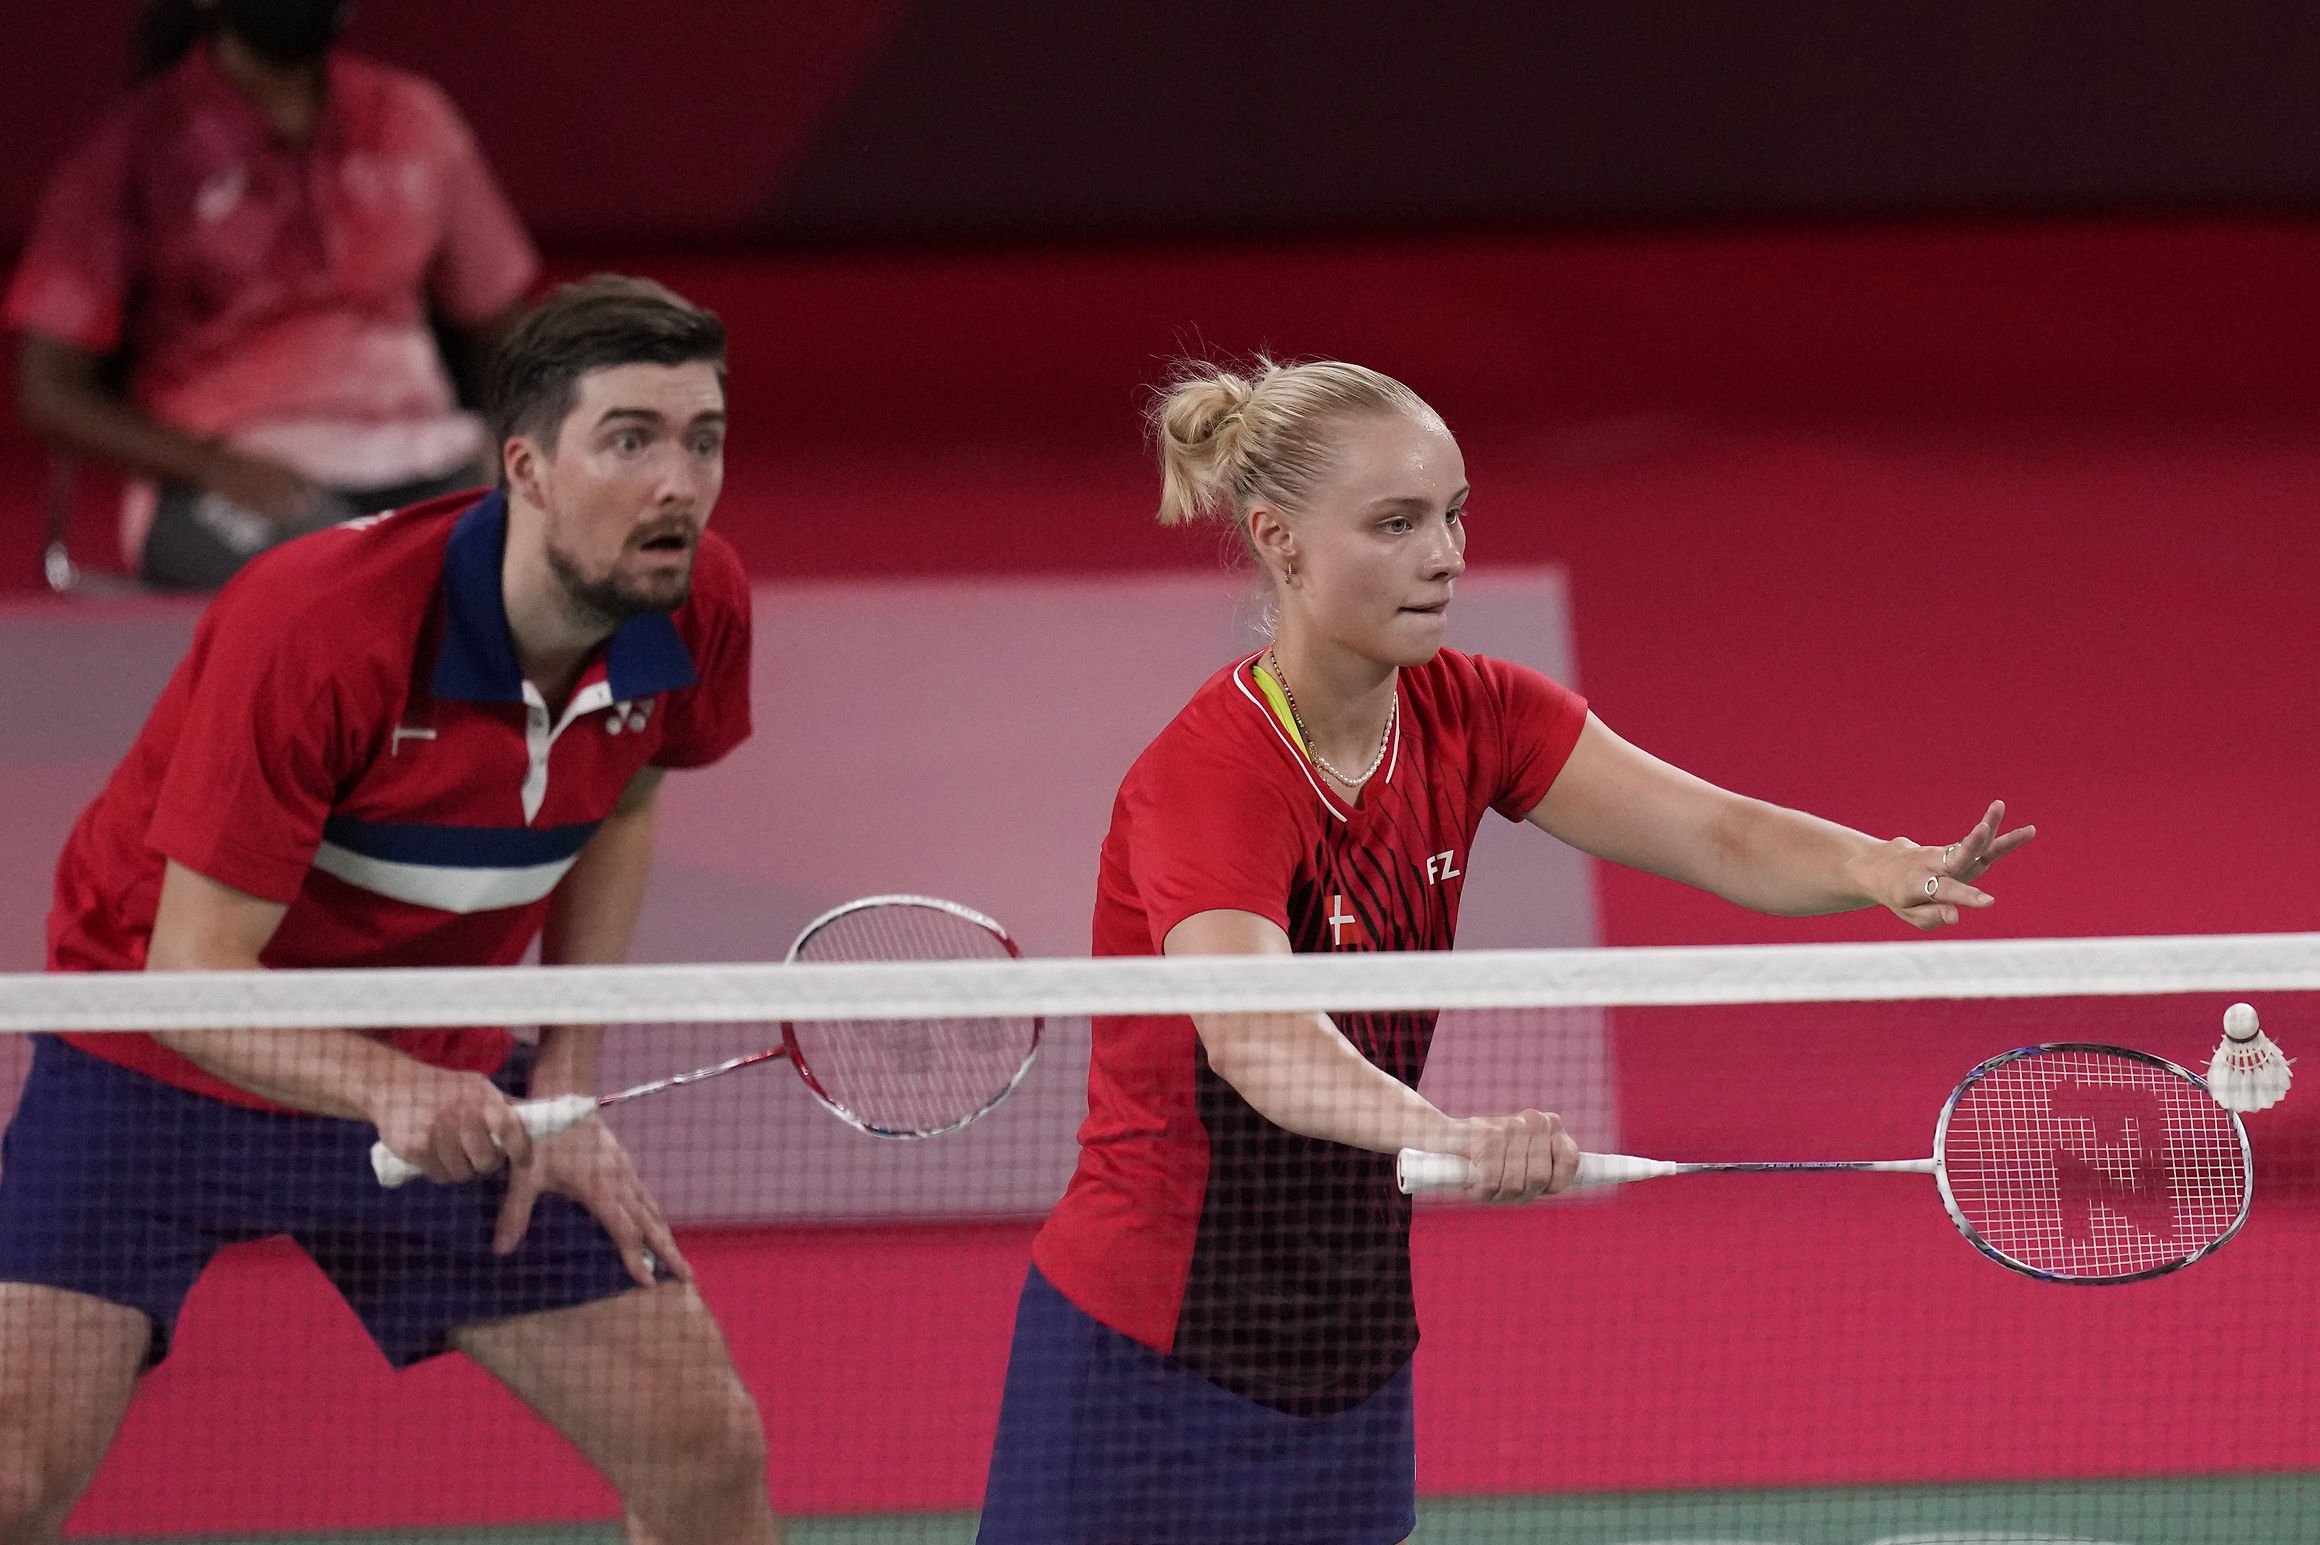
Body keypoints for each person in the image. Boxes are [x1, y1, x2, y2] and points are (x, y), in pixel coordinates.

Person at [977, 359, 2035, 1543]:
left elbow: (1715, 830)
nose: (1446, 554)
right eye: (1396, 524)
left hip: (1348, 1335)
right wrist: (1452, 1138)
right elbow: (1256, 1039)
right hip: (1154, 1340)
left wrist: (1873, 867)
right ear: (1278, 539)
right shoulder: (1212, 776)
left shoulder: (1475, 714)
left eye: (1454, 512)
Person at [0, 276, 775, 1543]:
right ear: (524, 467)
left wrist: (563, 1085)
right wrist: (384, 1087)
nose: (678, 483)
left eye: (704, 438)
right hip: (155, 1061)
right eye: (630, 439)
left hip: (440, 1067)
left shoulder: (693, 605)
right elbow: (188, 974)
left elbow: (624, 794)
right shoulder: (320, 624)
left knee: (703, 1449)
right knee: (10, 1479)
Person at [6, 0, 537, 589]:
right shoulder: (131, 153)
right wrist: (213, 466)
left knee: (545, 568)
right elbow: (49, 392)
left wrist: (531, 454)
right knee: (344, 592)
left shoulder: (414, 117)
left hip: (429, 453)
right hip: (229, 473)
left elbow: (502, 330)